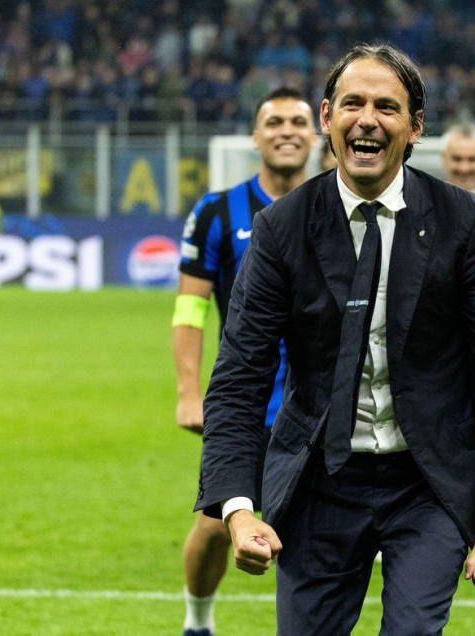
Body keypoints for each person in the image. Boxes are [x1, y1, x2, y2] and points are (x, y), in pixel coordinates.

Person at [193, 43, 475, 634]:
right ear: (327, 118)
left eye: (387, 106)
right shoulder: (280, 229)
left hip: (427, 483)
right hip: (319, 482)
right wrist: (237, 507)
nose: (367, 119)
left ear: (415, 127)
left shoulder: (468, 224)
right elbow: (239, 378)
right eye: (352, 103)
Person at [172, 86, 317, 636]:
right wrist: (189, 392)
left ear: (316, 132)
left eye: (298, 121)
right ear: (255, 138)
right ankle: (197, 623)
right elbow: (189, 310)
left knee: (320, 529)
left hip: (322, 403)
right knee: (216, 524)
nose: (286, 130)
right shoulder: (216, 212)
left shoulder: (343, 204)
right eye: (274, 121)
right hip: (249, 402)